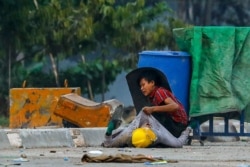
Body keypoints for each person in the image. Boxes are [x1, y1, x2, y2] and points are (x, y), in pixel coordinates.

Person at [102, 67, 191, 148]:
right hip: (177, 128)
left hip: (176, 125)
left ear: (152, 83)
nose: (141, 88)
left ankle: (109, 140)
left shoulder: (159, 92)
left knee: (143, 114)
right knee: (174, 143)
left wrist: (152, 109)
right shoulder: (153, 96)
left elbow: (175, 106)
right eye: (140, 86)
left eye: (143, 85)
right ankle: (113, 137)